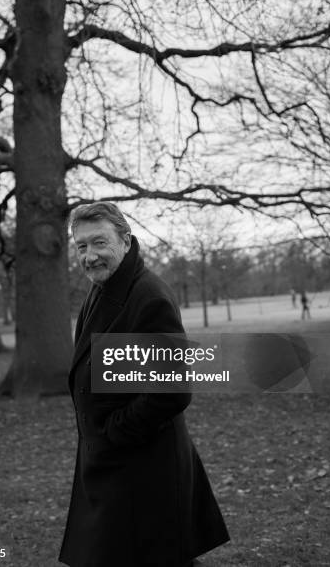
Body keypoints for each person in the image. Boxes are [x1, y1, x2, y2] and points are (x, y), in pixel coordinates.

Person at [59, 202, 229, 567]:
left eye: (99, 243)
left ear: (125, 240)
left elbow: (172, 389)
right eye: (81, 246)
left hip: (143, 468)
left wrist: (112, 434)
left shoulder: (148, 295)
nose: (90, 256)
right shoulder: (102, 287)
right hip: (111, 464)